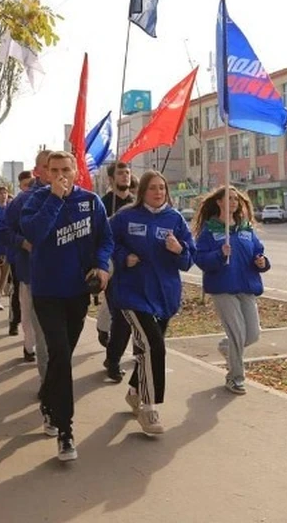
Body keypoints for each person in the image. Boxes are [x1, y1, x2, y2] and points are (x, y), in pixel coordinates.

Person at [22, 151, 113, 462]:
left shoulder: (91, 202)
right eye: (54, 170)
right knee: (59, 352)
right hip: (46, 292)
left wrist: (102, 266)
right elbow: (33, 233)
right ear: (46, 173)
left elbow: (106, 239)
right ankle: (65, 430)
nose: (60, 174)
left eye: (66, 169)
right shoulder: (36, 201)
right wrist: (55, 200)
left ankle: (48, 400)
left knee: (63, 356)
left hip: (77, 292)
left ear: (76, 171)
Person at [110, 171, 194, 435]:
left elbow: (189, 259)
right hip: (133, 294)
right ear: (142, 192)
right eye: (153, 188)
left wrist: (179, 250)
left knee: (148, 349)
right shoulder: (125, 217)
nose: (159, 193)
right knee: (154, 346)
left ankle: (135, 392)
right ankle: (149, 409)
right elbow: (105, 245)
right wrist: (124, 257)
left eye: (162, 188)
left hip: (164, 295)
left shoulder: (175, 219)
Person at [193, 186, 271, 395]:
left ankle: (227, 348)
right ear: (219, 202)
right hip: (223, 288)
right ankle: (235, 378)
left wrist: (262, 262)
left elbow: (258, 252)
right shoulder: (211, 230)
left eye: (236, 199)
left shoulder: (245, 228)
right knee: (237, 333)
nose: (234, 202)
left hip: (246, 287)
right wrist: (219, 254)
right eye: (229, 198)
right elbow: (199, 259)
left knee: (252, 334)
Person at [4, 152, 51, 369]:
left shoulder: (74, 198)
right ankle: (30, 346)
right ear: (37, 171)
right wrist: (23, 242)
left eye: (60, 167)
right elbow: (4, 230)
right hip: (30, 270)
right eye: (48, 167)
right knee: (32, 315)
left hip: (61, 275)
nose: (54, 172)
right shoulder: (23, 200)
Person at [98, 162, 135, 382]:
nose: (125, 176)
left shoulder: (136, 203)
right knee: (120, 314)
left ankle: (110, 341)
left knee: (128, 316)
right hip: (112, 264)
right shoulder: (102, 203)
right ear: (111, 179)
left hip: (135, 267)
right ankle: (113, 360)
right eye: (120, 173)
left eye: (127, 173)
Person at [6, 171, 33, 337]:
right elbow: (6, 231)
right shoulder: (16, 203)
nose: (28, 188)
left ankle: (31, 336)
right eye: (25, 185)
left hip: (36, 261)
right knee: (16, 292)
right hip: (17, 258)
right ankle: (13, 321)